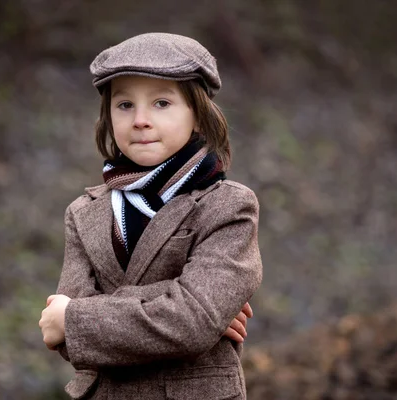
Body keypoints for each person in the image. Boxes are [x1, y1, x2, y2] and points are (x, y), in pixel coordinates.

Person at [39, 32, 263, 400]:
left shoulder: (228, 207)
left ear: (197, 113)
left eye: (161, 103)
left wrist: (77, 317)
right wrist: (184, 306)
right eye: (124, 105)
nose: (141, 120)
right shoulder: (83, 213)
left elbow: (190, 323)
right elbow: (63, 340)